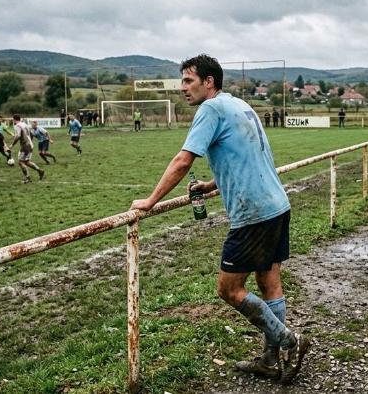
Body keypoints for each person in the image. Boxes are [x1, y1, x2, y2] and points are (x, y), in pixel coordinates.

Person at [130, 55, 310, 385]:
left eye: (189, 80)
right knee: (269, 283)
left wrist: (151, 200)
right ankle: (271, 361)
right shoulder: (238, 104)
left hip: (253, 213)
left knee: (229, 289)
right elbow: (245, 156)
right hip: (276, 205)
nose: (183, 88)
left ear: (209, 82)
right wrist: (212, 185)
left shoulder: (210, 109)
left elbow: (183, 160)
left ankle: (289, 341)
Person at [11, 114, 45, 183]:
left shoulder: (17, 125)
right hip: (30, 144)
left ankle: (28, 178)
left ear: (14, 119)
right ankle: (40, 171)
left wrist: (12, 144)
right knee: (26, 162)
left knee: (20, 162)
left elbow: (18, 136)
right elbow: (30, 134)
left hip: (25, 146)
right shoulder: (24, 124)